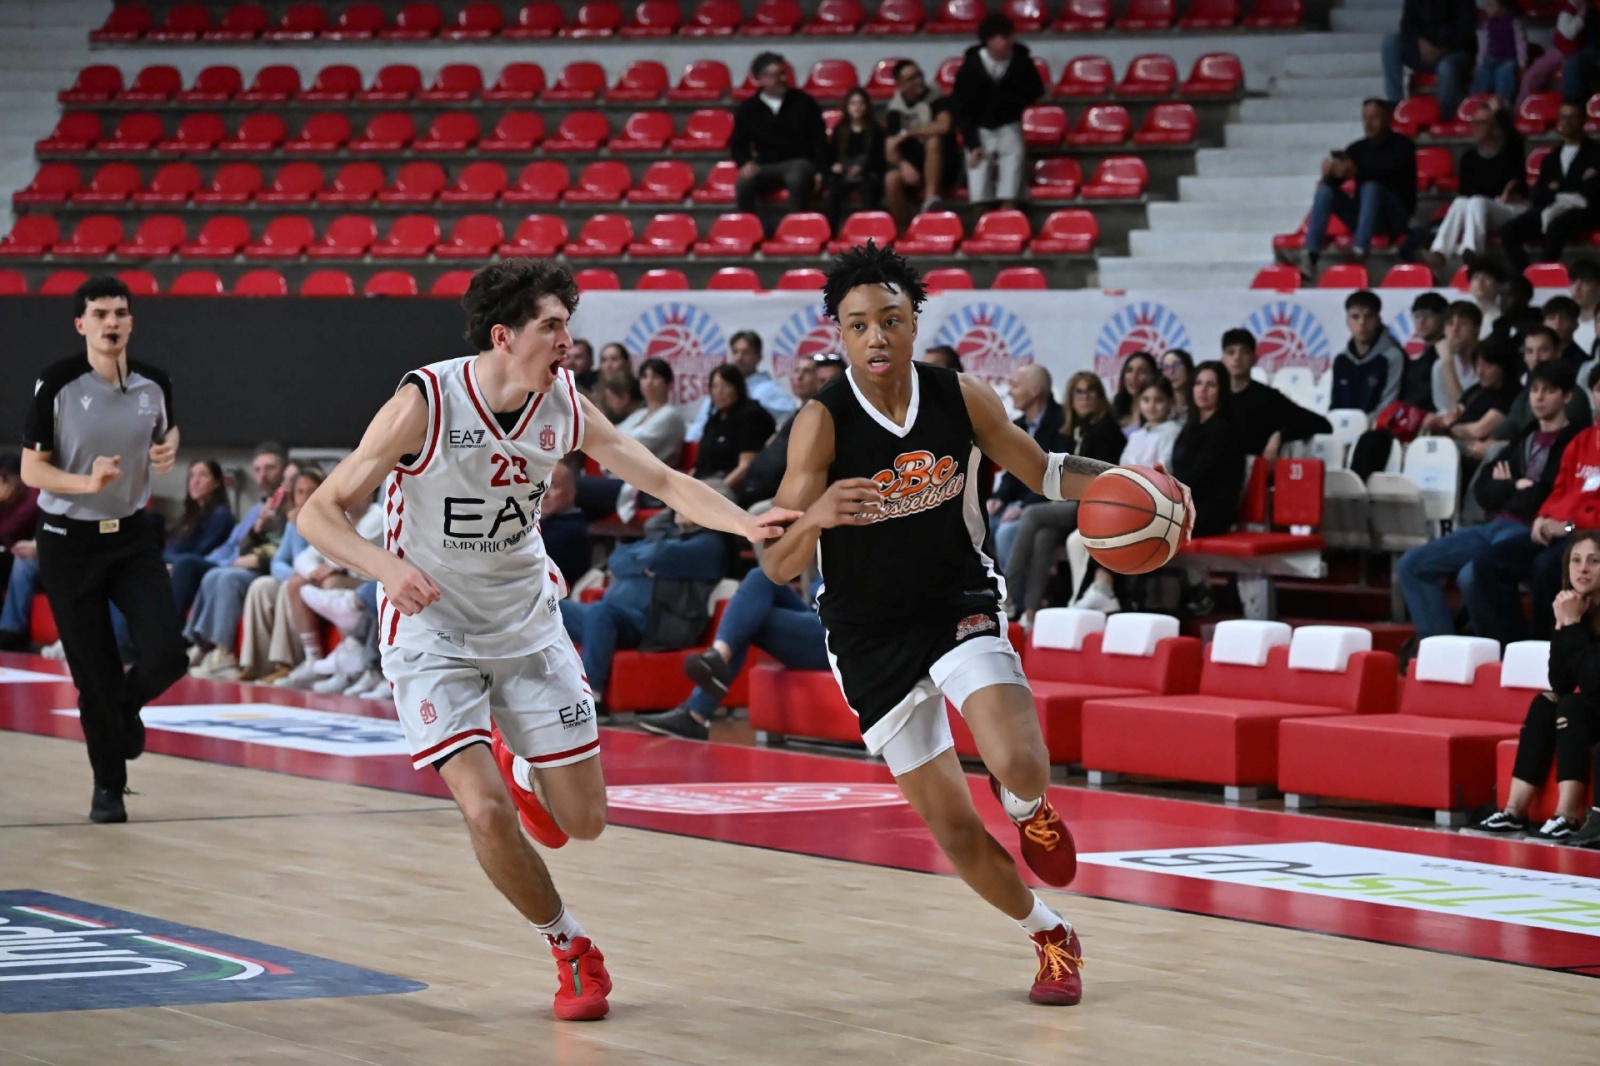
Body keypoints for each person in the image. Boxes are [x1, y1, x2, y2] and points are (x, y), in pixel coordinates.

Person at [294, 259, 796, 1022]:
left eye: (569, 325)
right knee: (485, 813)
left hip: (526, 623)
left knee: (584, 822)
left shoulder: (564, 405)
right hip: (433, 631)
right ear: (504, 336)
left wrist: (746, 523)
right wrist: (384, 567)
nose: (569, 342)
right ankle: (568, 946)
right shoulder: (425, 402)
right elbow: (318, 513)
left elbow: (662, 480)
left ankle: (526, 767)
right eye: (553, 327)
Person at [761, 242, 1194, 1006]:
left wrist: (1135, 484)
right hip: (867, 634)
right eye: (859, 325)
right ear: (840, 334)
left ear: (914, 321)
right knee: (954, 830)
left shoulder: (960, 396)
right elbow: (775, 563)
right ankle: (1049, 934)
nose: (876, 337)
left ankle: (1029, 807)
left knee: (1019, 760)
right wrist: (819, 514)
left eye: (890, 319)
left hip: (955, 600)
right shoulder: (821, 423)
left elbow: (1044, 471)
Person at [19, 275, 187, 824]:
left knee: (168, 656)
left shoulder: (154, 384)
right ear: (81, 324)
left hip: (132, 536)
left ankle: (124, 707)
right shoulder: (57, 384)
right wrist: (85, 483)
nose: (110, 322)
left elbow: (167, 431)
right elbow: (32, 470)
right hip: (68, 543)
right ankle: (108, 788)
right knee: (94, 674)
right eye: (99, 314)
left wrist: (168, 450)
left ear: (131, 321)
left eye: (119, 312)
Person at [1398, 360, 1580, 640]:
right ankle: (1442, 648)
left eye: (1549, 390)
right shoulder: (1524, 437)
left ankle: (1502, 652)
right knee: (1412, 564)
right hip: (1493, 524)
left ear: (1566, 396)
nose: (1539, 397)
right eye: (1534, 390)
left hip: (1529, 528)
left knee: (1472, 574)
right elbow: (1483, 490)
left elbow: (1542, 496)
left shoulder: (1574, 441)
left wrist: (1507, 486)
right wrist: (1514, 485)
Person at [1467, 530, 1600, 840]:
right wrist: (1563, 626)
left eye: (1594, 561)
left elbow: (1594, 682)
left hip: (1593, 702)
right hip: (1591, 708)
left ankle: (1567, 815)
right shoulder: (1573, 609)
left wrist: (1572, 627)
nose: (1583, 568)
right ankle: (1514, 811)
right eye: (1576, 560)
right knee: (1545, 702)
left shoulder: (1580, 616)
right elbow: (1560, 681)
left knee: (1573, 706)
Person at [1467, 363, 1600, 643]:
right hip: (1562, 531)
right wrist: (1542, 517)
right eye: (1599, 390)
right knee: (1488, 563)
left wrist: (1566, 526)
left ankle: (1547, 650)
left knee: (1546, 566)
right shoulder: (1581, 441)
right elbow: (1559, 490)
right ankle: (1511, 647)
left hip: (1585, 534)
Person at [640, 569, 828, 741]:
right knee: (763, 577)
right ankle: (717, 656)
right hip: (818, 614)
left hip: (837, 634)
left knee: (748, 617)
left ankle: (696, 711)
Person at [1002, 373, 1125, 624]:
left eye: (1091, 391)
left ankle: (1007, 594)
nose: (1084, 397)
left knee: (1031, 514)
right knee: (1044, 536)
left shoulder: (1105, 430)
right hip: (1074, 502)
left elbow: (1102, 478)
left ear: (1100, 397)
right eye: (1079, 392)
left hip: (1093, 506)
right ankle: (1030, 613)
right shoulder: (1074, 428)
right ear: (1071, 397)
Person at [167, 442, 287, 616]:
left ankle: (169, 629)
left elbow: (255, 548)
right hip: (221, 561)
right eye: (257, 469)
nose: (263, 475)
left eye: (270, 468)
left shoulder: (223, 515)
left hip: (241, 564)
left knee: (188, 565)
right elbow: (230, 544)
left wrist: (213, 562)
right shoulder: (255, 509)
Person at [1302, 99, 1417, 279]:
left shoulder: (1404, 146)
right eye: (1365, 118)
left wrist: (1357, 170)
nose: (1368, 124)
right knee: (1325, 190)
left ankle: (1360, 250)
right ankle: (1311, 255)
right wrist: (1331, 173)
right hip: (1362, 216)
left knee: (1371, 187)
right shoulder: (1356, 149)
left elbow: (1387, 172)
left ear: (1387, 119)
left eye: (1374, 118)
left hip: (1393, 218)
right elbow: (1336, 185)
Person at [950, 13, 1044, 209]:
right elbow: (961, 108)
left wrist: (1011, 101)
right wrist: (972, 143)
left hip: (1009, 124)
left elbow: (1036, 90)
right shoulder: (970, 68)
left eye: (1010, 36)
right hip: (978, 127)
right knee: (978, 186)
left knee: (1012, 181)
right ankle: (982, 222)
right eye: (1004, 37)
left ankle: (1008, 216)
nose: (1009, 42)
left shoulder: (1021, 61)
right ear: (989, 40)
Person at [1497, 99, 1600, 275]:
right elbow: (1539, 194)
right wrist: (1571, 188)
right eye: (1563, 117)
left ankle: (1543, 274)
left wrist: (1558, 189)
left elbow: (1591, 192)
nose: (1567, 122)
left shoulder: (1596, 152)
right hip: (1551, 208)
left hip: (1585, 212)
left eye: (1572, 117)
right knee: (1508, 230)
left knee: (1557, 224)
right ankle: (1526, 276)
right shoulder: (1551, 158)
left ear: (1583, 120)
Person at [577, 357, 687, 520]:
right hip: (617, 479)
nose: (649, 382)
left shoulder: (671, 416)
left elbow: (633, 449)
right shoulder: (639, 414)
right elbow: (610, 440)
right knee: (573, 506)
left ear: (668, 383)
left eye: (655, 377)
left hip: (643, 488)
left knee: (571, 486)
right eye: (644, 377)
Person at [1426, 100, 1527, 269]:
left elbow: (1513, 135)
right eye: (1474, 122)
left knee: (1476, 201)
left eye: (1482, 122)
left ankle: (1473, 252)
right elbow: (1465, 192)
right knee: (1461, 201)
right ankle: (1440, 251)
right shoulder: (1469, 158)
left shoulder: (1510, 151)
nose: (1476, 127)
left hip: (1511, 207)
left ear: (1494, 126)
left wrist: (1499, 111)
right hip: (1481, 208)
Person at [736, 351, 845, 508]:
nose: (799, 377)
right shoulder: (794, 415)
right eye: (821, 381)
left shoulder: (835, 420)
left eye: (831, 381)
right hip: (754, 491)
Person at [731, 51, 828, 219]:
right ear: (761, 79)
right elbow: (738, 143)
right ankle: (748, 227)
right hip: (765, 165)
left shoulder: (804, 102)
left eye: (783, 73)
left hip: (798, 161)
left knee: (796, 177)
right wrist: (744, 162)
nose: (782, 79)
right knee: (744, 183)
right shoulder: (748, 109)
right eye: (776, 75)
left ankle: (796, 226)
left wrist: (820, 169)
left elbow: (819, 138)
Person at [986, 364, 1062, 570]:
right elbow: (1012, 471)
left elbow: (1057, 476)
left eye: (1015, 386)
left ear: (1035, 390)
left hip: (1044, 505)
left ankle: (1011, 590)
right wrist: (999, 497)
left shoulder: (1062, 423)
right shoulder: (1017, 426)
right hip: (1015, 503)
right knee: (975, 525)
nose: (1010, 391)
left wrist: (1023, 506)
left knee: (1006, 533)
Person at [1219, 329, 1332, 459]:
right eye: (1230, 352)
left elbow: (1321, 424)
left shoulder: (1267, 397)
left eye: (1244, 352)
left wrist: (1280, 435)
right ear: (1222, 359)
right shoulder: (1213, 397)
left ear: (1254, 359)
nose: (1237, 358)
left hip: (1257, 467)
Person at [686, 330, 799, 438]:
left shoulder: (770, 391)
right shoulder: (718, 390)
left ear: (759, 357)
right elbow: (699, 426)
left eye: (745, 353)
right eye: (735, 352)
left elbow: (789, 422)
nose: (739, 358)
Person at [884, 60, 955, 225]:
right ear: (901, 85)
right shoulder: (895, 109)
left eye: (919, 75)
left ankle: (930, 201)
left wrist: (909, 132)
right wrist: (903, 165)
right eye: (912, 78)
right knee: (891, 179)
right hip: (913, 165)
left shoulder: (936, 96)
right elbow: (890, 146)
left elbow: (943, 126)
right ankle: (905, 229)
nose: (919, 81)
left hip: (944, 165)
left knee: (933, 139)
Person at [1382, 0, 1477, 121]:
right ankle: (1395, 106)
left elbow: (1466, 30)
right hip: (1423, 51)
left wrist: (1442, 48)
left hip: (1455, 52)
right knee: (1390, 43)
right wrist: (1419, 41)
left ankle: (1445, 116)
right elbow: (1407, 25)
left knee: (1446, 68)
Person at [693, 365, 776, 492]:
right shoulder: (713, 421)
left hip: (733, 488)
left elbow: (745, 466)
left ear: (738, 388)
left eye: (725, 386)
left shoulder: (752, 415)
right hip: (705, 483)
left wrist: (714, 493)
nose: (719, 392)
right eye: (715, 386)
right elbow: (697, 467)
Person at [1330, 290, 1406, 414]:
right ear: (1347, 321)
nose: (1362, 323)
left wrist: (1360, 423)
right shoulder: (1341, 359)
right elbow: (1335, 405)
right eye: (1355, 317)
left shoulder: (1393, 357)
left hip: (1378, 425)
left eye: (1369, 316)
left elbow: (1388, 407)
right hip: (1344, 424)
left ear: (1378, 320)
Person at [824, 87, 886, 229]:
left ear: (867, 106)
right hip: (844, 173)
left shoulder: (876, 130)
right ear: (847, 107)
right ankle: (831, 231)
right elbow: (831, 155)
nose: (857, 107)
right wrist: (836, 165)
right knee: (833, 190)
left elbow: (879, 158)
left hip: (867, 173)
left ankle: (868, 230)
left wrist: (862, 167)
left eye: (861, 103)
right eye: (853, 103)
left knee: (869, 189)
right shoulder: (840, 129)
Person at [1519, 0, 1589, 105]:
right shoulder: (1568, 10)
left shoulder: (1585, 10)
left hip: (1570, 54)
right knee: (1531, 75)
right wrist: (1581, 16)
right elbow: (1568, 33)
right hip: (1560, 51)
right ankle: (1522, 108)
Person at [1471, 0, 1527, 103]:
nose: (1487, 9)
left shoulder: (1514, 22)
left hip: (1510, 59)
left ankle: (1502, 102)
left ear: (1502, 6)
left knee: (1503, 72)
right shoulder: (1488, 24)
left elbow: (1521, 43)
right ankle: (1479, 101)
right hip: (1494, 58)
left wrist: (1522, 63)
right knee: (1483, 72)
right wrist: (1479, 63)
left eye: (1490, 5)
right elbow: (1484, 46)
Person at [1110, 351, 1160, 434]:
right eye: (1129, 370)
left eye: (1142, 372)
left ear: (1152, 375)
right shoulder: (1116, 408)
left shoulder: (1157, 411)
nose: (1134, 376)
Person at [1158, 348, 1195, 423]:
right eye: (1166, 367)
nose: (1171, 372)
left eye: (1177, 365)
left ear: (1188, 367)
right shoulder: (1160, 407)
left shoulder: (1198, 404)